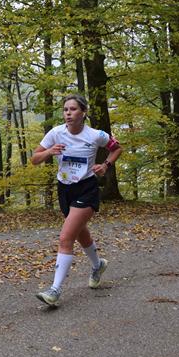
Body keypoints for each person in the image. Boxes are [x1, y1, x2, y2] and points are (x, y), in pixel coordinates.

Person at [31, 94, 122, 306]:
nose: (68, 113)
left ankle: (54, 290)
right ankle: (98, 265)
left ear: (83, 112)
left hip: (86, 189)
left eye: (73, 109)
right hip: (64, 189)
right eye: (65, 110)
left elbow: (117, 148)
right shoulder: (56, 133)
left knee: (66, 237)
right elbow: (34, 159)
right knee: (80, 232)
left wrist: (105, 165)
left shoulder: (96, 135)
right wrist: (49, 152)